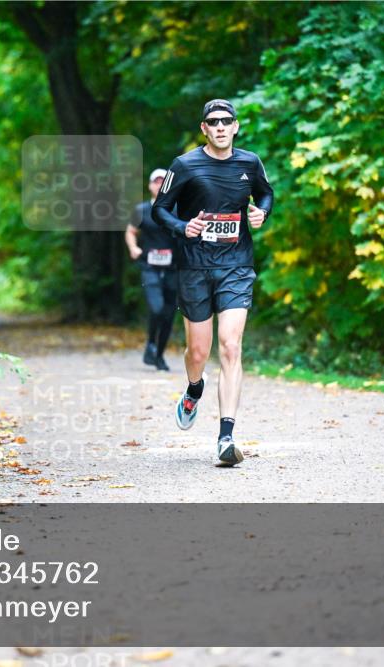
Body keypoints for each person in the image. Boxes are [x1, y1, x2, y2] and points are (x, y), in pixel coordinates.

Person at [152, 99, 274, 466]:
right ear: (204, 129)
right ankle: (193, 390)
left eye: (226, 121)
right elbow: (160, 209)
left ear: (236, 127)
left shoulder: (250, 163)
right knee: (199, 354)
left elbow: (265, 193)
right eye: (212, 122)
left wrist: (261, 212)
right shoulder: (185, 165)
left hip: (236, 265)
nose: (220, 126)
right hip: (194, 267)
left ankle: (225, 436)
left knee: (231, 346)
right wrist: (182, 226)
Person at [125, 168, 178, 371]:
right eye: (156, 181)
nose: (160, 184)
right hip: (149, 266)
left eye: (164, 181)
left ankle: (159, 354)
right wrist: (133, 247)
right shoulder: (141, 210)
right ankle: (151, 343)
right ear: (150, 186)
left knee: (169, 312)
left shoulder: (178, 209)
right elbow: (130, 231)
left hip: (173, 267)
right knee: (157, 308)